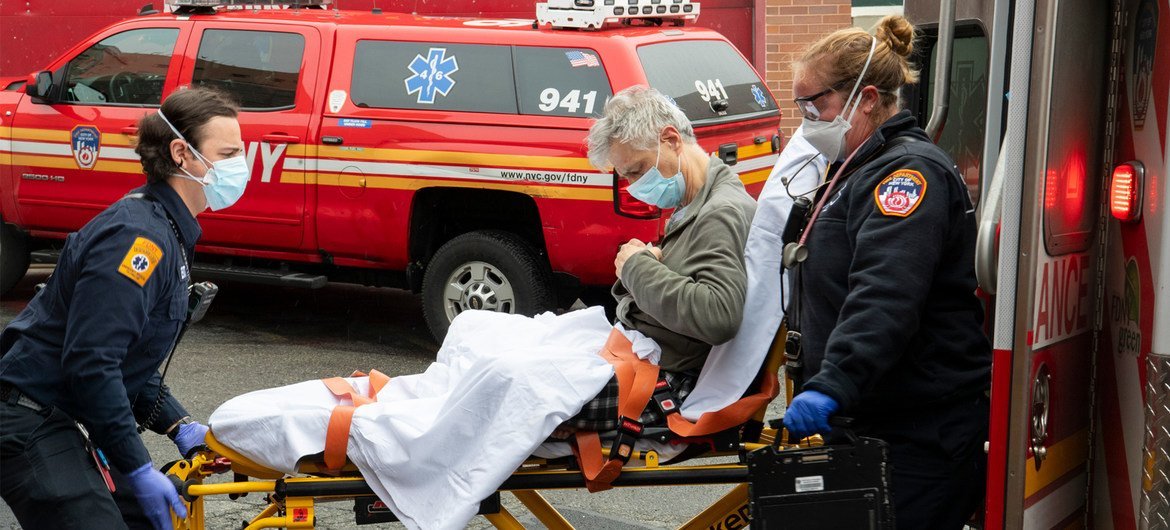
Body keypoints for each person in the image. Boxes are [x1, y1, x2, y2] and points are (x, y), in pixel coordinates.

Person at [0, 87, 246, 529]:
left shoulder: (166, 229)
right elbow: (93, 362)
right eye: (228, 153)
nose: (239, 166)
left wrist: (179, 425)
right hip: (28, 420)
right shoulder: (139, 241)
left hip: (58, 415)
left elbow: (125, 353)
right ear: (181, 153)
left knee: (154, 518)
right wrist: (136, 467)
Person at [780, 15, 991, 529]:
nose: (808, 119)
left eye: (817, 105)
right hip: (873, 421)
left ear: (867, 98)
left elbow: (886, 293)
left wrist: (833, 383)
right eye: (801, 106)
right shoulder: (852, 170)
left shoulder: (906, 176)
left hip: (921, 432)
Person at [556, 84, 757, 434]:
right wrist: (644, 266)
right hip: (639, 356)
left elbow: (717, 315)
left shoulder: (719, 213)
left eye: (637, 170)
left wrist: (636, 266)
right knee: (489, 351)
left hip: (663, 381)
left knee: (505, 390)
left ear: (671, 140)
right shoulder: (693, 203)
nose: (634, 185)